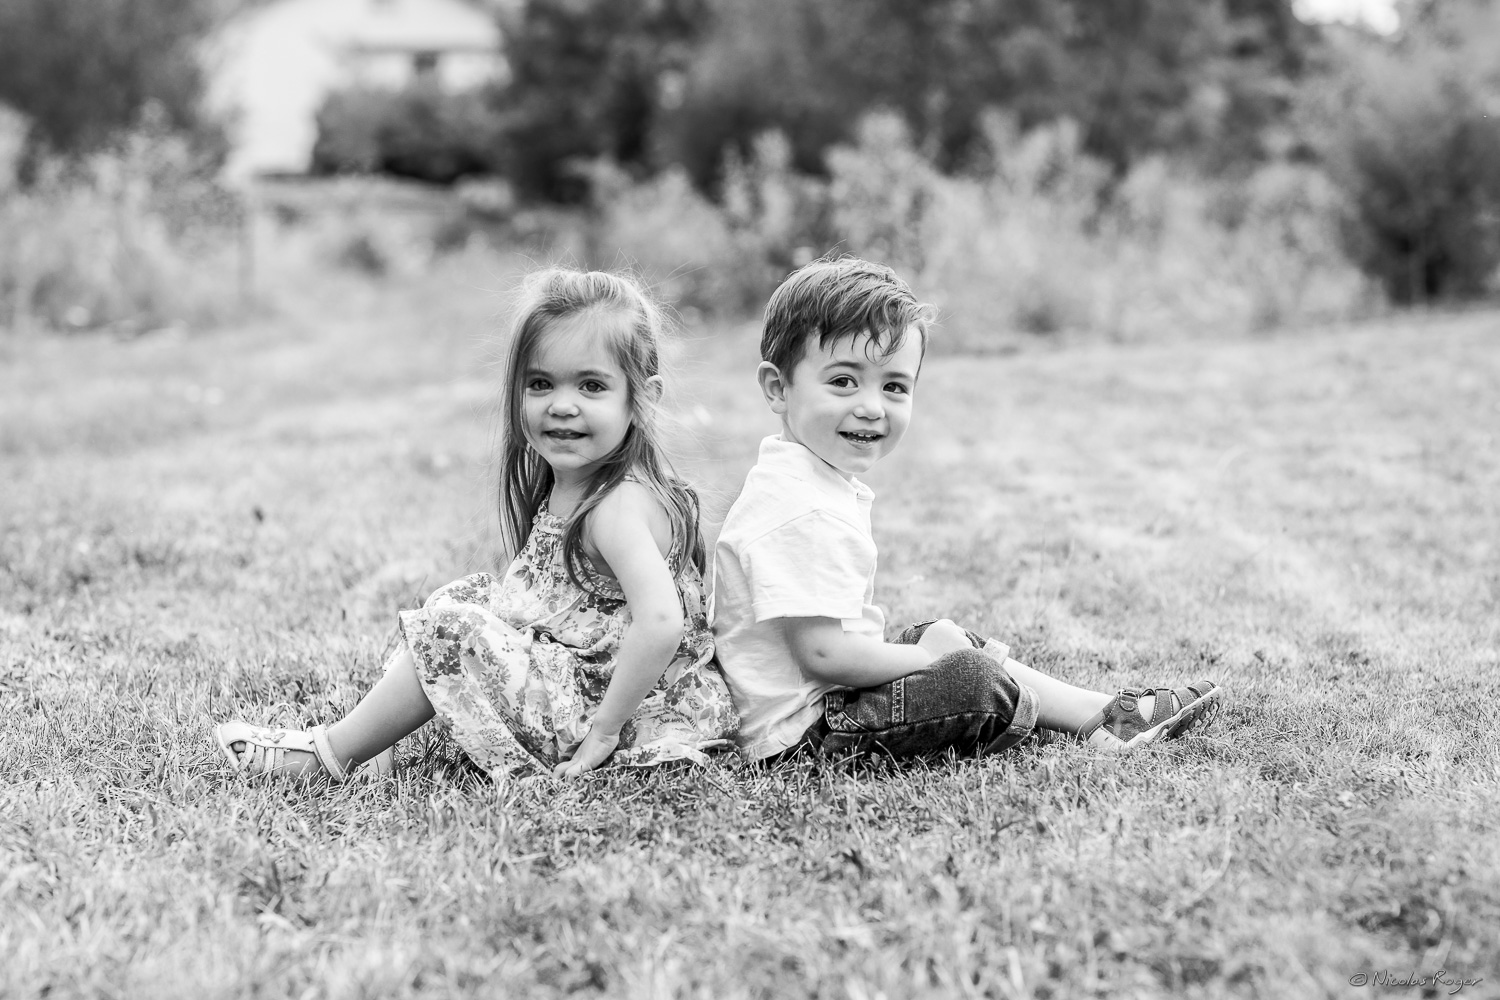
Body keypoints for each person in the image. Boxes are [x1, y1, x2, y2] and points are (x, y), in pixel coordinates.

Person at [216, 268, 738, 782]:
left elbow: (663, 622)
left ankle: (329, 755)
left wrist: (604, 730)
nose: (561, 404)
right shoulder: (580, 483)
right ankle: (373, 741)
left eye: (591, 385)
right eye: (540, 383)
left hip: (617, 710)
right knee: (455, 601)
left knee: (453, 630)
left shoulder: (618, 507)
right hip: (580, 682)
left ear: (642, 397)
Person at [712, 256, 1221, 763]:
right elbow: (824, 655)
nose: (871, 406)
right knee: (967, 675)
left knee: (943, 635)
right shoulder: (800, 507)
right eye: (844, 381)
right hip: (802, 736)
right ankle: (1077, 716)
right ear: (779, 388)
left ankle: (1103, 715)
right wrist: (928, 660)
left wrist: (932, 649)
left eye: (893, 386)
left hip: (826, 703)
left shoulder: (801, 478)